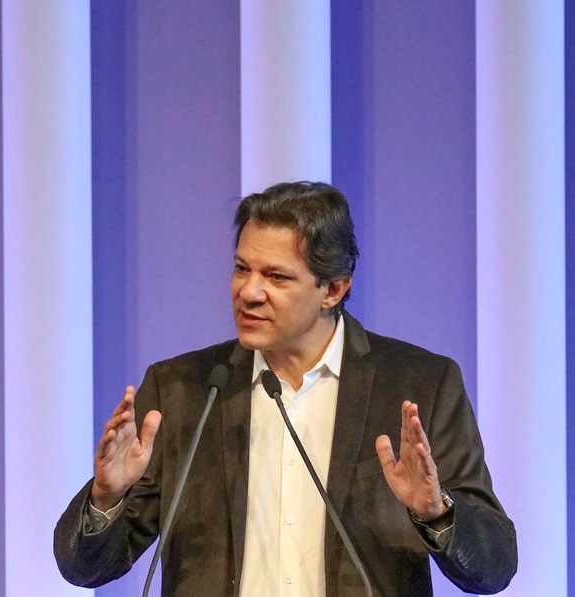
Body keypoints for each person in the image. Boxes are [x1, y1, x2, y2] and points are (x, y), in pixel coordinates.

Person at [54, 182, 516, 596]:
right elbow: (85, 570)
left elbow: (493, 569)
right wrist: (106, 498)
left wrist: (438, 513)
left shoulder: (420, 385)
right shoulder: (182, 389)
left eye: (276, 277)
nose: (249, 292)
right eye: (242, 269)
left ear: (333, 289)